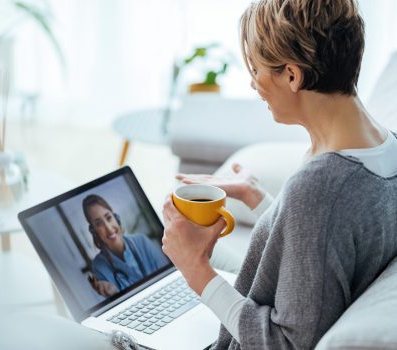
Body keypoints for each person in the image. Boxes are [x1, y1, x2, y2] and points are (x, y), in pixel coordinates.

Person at [162, 0, 397, 349]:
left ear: (292, 75)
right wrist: (257, 198)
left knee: (162, 250)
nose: (254, 84)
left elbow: (287, 343)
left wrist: (197, 271)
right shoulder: (382, 146)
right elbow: (327, 243)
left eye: (256, 68)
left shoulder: (322, 186)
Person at [83, 194, 169, 297]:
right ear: (94, 231)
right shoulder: (99, 267)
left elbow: (168, 276)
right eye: (99, 224)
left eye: (109, 218)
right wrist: (114, 294)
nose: (109, 228)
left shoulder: (142, 242)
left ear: (116, 218)